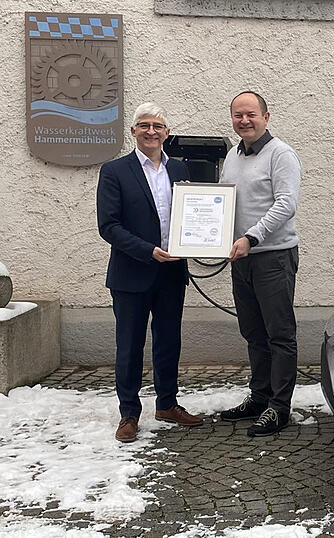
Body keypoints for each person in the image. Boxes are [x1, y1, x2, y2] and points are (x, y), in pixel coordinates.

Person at [96, 102, 203, 443]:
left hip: (172, 272)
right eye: (144, 125)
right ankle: (129, 413)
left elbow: (194, 214)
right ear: (133, 131)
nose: (151, 131)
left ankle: (167, 404)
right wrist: (147, 251)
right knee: (129, 345)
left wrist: (202, 240)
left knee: (169, 341)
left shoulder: (180, 169)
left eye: (157, 126)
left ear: (167, 133)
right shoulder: (115, 171)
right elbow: (109, 226)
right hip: (132, 272)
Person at [218, 91, 302, 436]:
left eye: (251, 114)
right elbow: (225, 202)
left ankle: (279, 408)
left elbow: (286, 204)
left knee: (279, 335)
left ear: (266, 117)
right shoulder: (232, 155)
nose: (244, 121)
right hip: (243, 259)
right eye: (238, 115)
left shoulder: (281, 154)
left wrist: (251, 237)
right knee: (253, 333)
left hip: (272, 257)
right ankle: (260, 397)